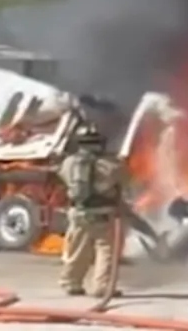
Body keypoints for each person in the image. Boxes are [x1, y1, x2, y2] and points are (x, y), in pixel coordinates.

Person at [58, 126, 124, 297]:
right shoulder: (110, 164)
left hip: (78, 212)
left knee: (78, 248)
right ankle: (102, 286)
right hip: (104, 213)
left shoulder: (69, 162)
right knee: (106, 249)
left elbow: (65, 180)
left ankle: (71, 282)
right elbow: (122, 181)